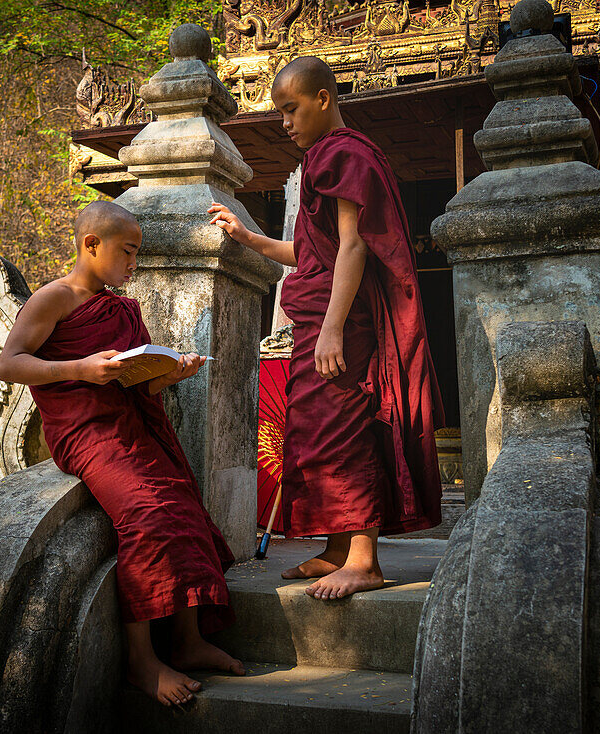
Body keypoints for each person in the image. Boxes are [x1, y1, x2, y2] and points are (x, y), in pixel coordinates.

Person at [208, 56, 444, 601]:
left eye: (291, 109)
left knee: (343, 429)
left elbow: (356, 245)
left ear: (323, 98)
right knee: (316, 432)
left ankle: (364, 559)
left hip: (341, 324)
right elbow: (314, 254)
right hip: (317, 317)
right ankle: (338, 549)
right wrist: (247, 239)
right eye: (279, 112)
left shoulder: (343, 155)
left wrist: (335, 326)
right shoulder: (323, 158)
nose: (284, 122)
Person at [0, 200, 244, 707]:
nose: (134, 264)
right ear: (91, 245)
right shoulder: (54, 298)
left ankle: (189, 640)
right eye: (128, 252)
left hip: (133, 424)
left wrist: (170, 374)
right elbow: (10, 364)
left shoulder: (124, 308)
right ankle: (140, 659)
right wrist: (80, 368)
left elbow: (141, 385)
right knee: (147, 516)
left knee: (184, 508)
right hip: (86, 431)